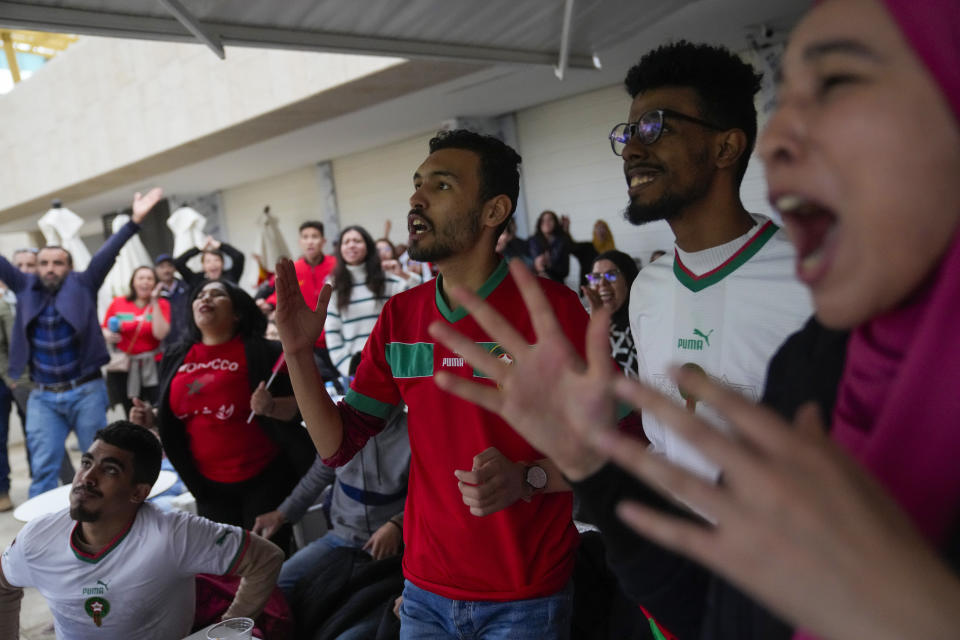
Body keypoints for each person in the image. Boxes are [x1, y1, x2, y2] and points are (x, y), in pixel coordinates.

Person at [431, 1, 960, 638]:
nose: (631, 148)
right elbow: (709, 588)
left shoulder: (819, 296)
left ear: (726, 146)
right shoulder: (662, 294)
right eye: (626, 134)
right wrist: (585, 464)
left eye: (655, 127)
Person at [275, 129, 586, 639]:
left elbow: (620, 448)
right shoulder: (401, 316)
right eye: (418, 184)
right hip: (424, 593)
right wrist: (297, 352)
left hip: (525, 597)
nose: (416, 199)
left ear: (493, 211)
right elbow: (338, 444)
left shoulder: (552, 311)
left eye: (441, 186)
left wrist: (529, 477)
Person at [0, 421, 284, 638]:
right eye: (87, 463)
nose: (87, 477)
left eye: (109, 470)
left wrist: (227, 629)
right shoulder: (37, 538)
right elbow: (4, 585)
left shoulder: (172, 534)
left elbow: (265, 559)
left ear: (138, 492)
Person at [0, 189, 162, 498]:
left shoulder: (84, 284)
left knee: (99, 465)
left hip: (86, 391)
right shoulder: (25, 287)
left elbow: (108, 251)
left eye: (57, 262)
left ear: (69, 266)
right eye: (43, 262)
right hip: (43, 397)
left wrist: (136, 218)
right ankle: (40, 538)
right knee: (44, 468)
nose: (49, 268)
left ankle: (101, 524)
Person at [134, 279, 314, 552]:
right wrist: (153, 417)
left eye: (216, 295)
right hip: (206, 485)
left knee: (267, 561)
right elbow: (188, 410)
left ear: (237, 313)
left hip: (265, 478)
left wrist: (272, 407)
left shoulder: (265, 352)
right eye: (200, 294)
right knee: (227, 563)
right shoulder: (176, 355)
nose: (205, 298)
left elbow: (304, 407)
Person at [252, 409, 410, 595]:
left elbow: (433, 496)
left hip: (392, 549)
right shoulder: (339, 425)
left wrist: (398, 525)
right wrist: (282, 513)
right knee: (269, 587)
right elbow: (319, 475)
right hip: (339, 539)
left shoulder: (416, 433)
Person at [326, 225, 418, 377]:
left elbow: (416, 297)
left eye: (357, 240)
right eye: (346, 241)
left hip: (391, 366)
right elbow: (332, 332)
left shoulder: (386, 280)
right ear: (340, 249)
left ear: (368, 247)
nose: (351, 245)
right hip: (356, 369)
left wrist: (403, 274)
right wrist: (347, 366)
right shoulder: (334, 287)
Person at [102, 266, 170, 414]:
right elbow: (103, 327)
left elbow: (160, 334)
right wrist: (107, 334)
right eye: (141, 278)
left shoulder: (162, 304)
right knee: (131, 409)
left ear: (155, 283)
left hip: (154, 364)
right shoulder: (118, 303)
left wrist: (154, 301)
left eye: (149, 278)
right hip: (125, 366)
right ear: (133, 282)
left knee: (159, 408)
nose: (145, 282)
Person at [582, 250, 640, 378]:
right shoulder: (581, 319)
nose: (602, 283)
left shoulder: (642, 324)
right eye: (595, 277)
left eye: (611, 275)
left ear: (628, 280)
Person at [173, 235, 246, 290]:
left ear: (222, 263)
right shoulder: (196, 280)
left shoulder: (231, 276)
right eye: (208, 261)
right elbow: (178, 263)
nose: (213, 264)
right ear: (203, 265)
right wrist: (199, 249)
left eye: (216, 260)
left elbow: (239, 257)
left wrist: (220, 246)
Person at [153, 252, 189, 349]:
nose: (166, 270)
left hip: (189, 341)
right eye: (162, 267)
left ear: (174, 268)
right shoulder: (153, 292)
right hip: (166, 346)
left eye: (169, 266)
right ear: (156, 270)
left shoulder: (186, 287)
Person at [528, 210, 572, 282]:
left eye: (550, 219)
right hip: (538, 282)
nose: (547, 223)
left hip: (558, 282)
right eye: (543, 220)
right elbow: (536, 265)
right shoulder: (533, 241)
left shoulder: (562, 241)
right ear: (539, 223)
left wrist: (549, 264)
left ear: (555, 222)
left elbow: (565, 271)